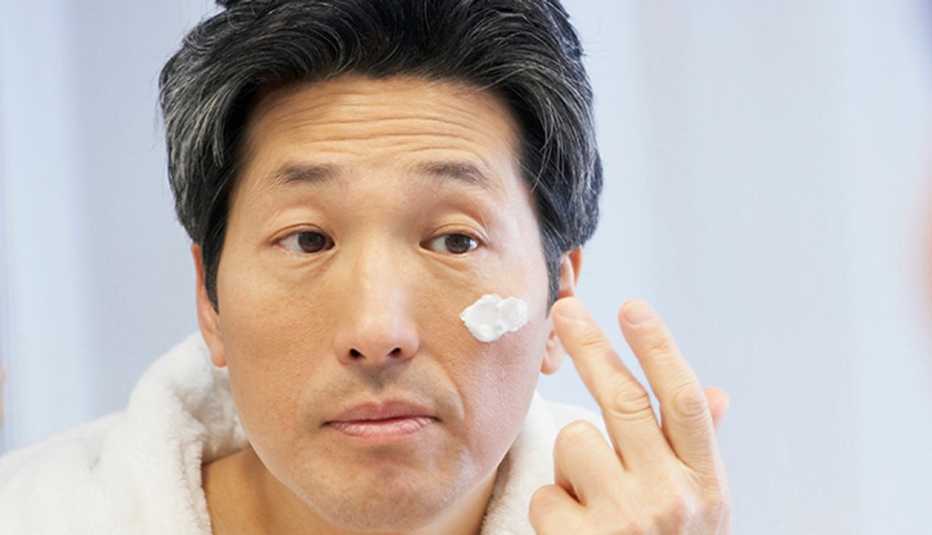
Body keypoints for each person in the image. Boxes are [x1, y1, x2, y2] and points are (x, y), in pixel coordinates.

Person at [0, 1, 732, 533]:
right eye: (308, 240)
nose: (376, 330)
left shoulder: (652, 521)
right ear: (209, 298)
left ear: (557, 300)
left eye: (454, 240)